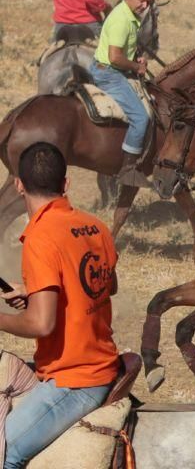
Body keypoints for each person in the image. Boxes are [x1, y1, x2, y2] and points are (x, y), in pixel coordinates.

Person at [0, 142, 119, 469]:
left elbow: (41, 325)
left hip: (77, 378)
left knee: (4, 452)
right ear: (65, 183)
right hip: (101, 361)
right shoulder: (96, 225)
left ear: (18, 184)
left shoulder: (40, 237)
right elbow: (108, 284)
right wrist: (38, 290)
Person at [88, 0, 156, 187]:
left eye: (148, 3)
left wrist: (135, 59)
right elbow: (115, 57)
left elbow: (122, 53)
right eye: (141, 0)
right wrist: (137, 67)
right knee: (141, 117)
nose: (144, 6)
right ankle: (127, 169)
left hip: (112, 69)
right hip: (109, 73)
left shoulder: (128, 15)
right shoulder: (122, 20)